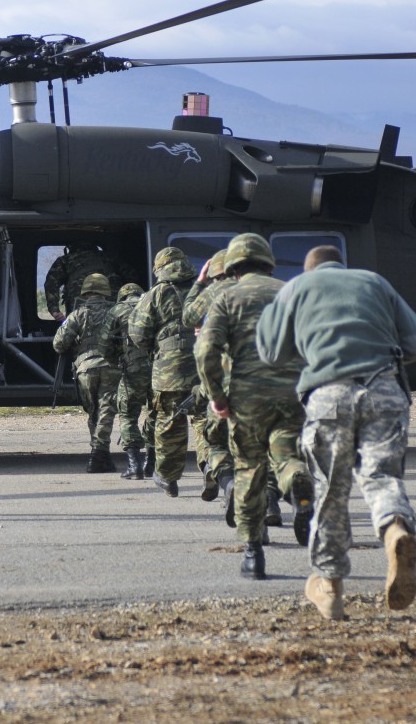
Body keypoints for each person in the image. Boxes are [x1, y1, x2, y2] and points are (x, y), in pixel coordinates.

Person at [256, 244, 416, 619]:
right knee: (381, 478)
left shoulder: (295, 288)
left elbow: (269, 352)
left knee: (331, 491)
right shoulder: (374, 282)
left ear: (309, 267)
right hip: (384, 389)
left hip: (329, 394)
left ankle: (330, 586)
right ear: (341, 265)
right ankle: (395, 531)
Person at [194, 233, 314, 580]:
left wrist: (216, 396)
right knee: (288, 456)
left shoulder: (227, 297)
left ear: (232, 267)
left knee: (248, 468)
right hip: (292, 395)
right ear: (268, 262)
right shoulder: (291, 294)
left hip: (246, 399)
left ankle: (253, 553)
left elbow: (205, 351)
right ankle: (299, 488)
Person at [128, 246, 198, 497]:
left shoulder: (156, 294)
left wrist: (158, 348)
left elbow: (138, 334)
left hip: (170, 370)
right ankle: (217, 473)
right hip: (208, 367)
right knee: (207, 421)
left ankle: (168, 477)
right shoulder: (204, 289)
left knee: (170, 421)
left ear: (159, 268)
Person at [182, 249, 235, 507]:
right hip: (260, 378)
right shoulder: (256, 289)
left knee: (216, 439)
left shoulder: (213, 291)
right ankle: (271, 500)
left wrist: (200, 283)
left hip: (219, 376)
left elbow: (189, 316)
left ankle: (227, 481)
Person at [52, 272, 120, 472]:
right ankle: (100, 455)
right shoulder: (116, 312)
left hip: (86, 369)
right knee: (107, 410)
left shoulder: (77, 314)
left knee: (94, 412)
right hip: (111, 367)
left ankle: (99, 454)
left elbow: (58, 344)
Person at [97, 282, 153, 480]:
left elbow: (104, 345)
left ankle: (134, 465)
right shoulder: (152, 304)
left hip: (133, 370)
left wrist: (116, 363)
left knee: (128, 414)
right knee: (157, 413)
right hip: (160, 368)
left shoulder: (117, 310)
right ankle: (152, 462)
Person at [44, 241, 137, 321]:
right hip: (114, 306)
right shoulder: (109, 257)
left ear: (71, 248)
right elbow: (132, 277)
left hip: (79, 308)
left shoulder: (65, 261)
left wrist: (54, 310)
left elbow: (51, 284)